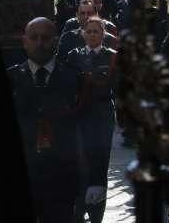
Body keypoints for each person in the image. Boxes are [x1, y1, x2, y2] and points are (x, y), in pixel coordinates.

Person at [7, 17, 85, 222]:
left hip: (62, 179)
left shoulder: (73, 78)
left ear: (56, 41)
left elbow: (86, 130)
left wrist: (91, 179)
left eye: (45, 38)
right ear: (24, 41)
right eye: (34, 38)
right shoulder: (12, 78)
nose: (40, 43)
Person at [63, 17, 117, 223]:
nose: (93, 35)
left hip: (103, 115)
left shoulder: (112, 57)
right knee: (80, 159)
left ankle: (97, 212)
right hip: (81, 114)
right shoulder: (73, 56)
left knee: (100, 162)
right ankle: (79, 208)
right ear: (83, 33)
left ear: (103, 34)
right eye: (89, 31)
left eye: (97, 31)